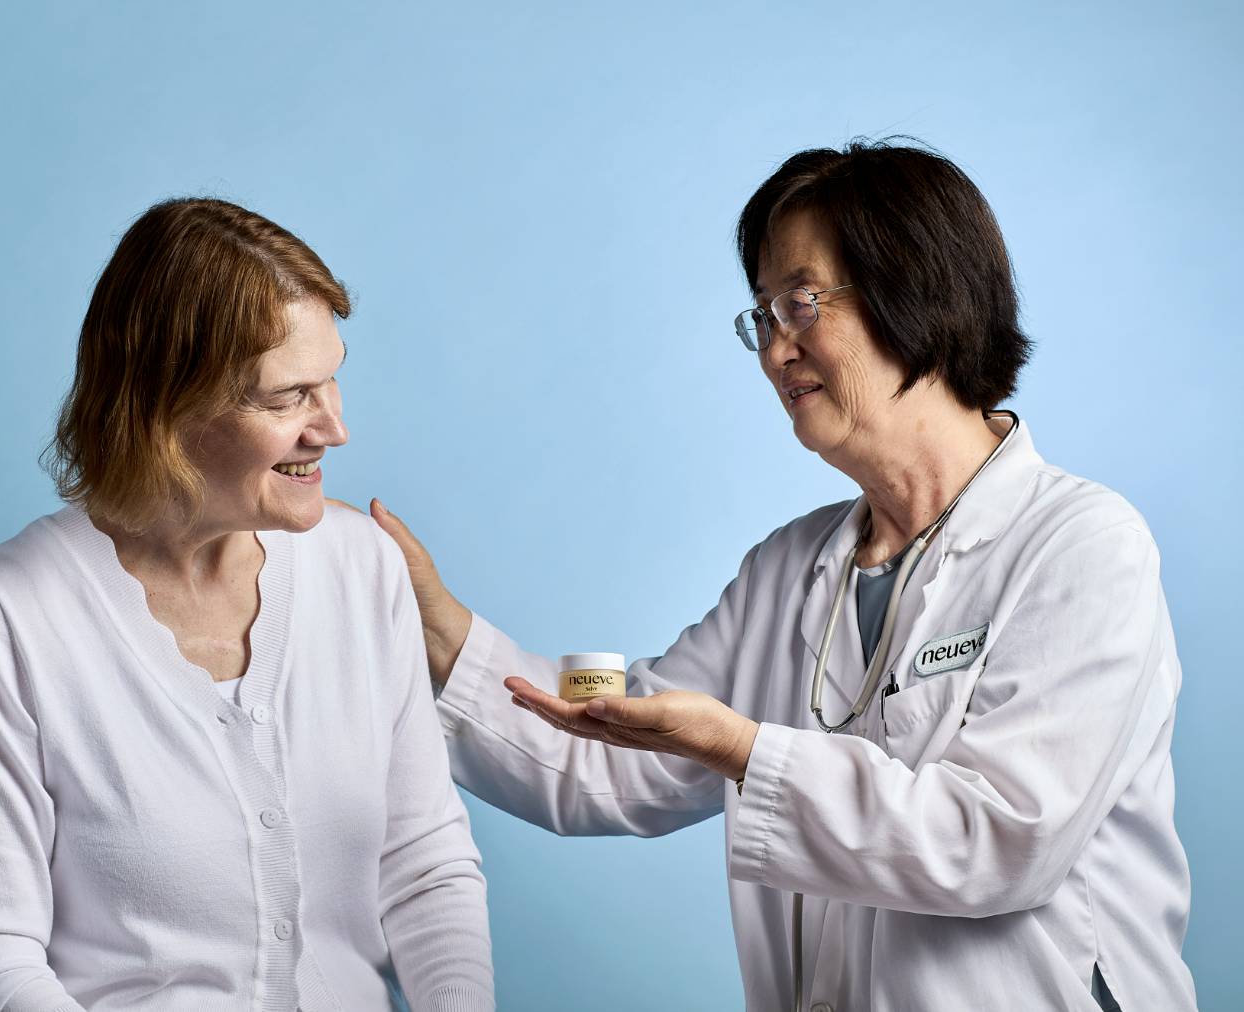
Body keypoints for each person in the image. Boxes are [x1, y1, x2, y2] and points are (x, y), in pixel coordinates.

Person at [363, 142, 1197, 1011]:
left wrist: (739, 748)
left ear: (917, 290)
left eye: (800, 304)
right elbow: (615, 743)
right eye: (762, 317)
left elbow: (998, 841)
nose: (773, 352)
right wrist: (441, 632)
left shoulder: (1081, 546)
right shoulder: (791, 569)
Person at [0, 198, 494, 1012]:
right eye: (288, 397)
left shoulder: (362, 565)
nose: (334, 427)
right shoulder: (8, 615)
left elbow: (424, 862)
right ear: (168, 405)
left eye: (333, 378)